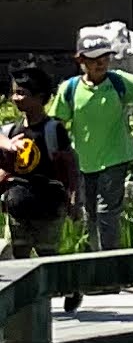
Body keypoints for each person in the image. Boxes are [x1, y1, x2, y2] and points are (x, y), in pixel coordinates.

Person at [50, 33, 133, 264]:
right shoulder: (70, 88)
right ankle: (95, 266)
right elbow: (56, 123)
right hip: (83, 161)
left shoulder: (118, 81)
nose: (101, 63)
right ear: (80, 60)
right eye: (94, 58)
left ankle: (111, 269)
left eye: (105, 57)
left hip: (115, 158)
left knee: (106, 213)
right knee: (88, 213)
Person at [2, 65, 79, 258]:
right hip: (18, 207)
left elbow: (69, 165)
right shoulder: (11, 132)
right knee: (19, 255)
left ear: (39, 97)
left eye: (21, 93)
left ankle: (55, 288)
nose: (15, 98)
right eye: (13, 93)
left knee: (48, 253)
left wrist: (74, 198)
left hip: (48, 206)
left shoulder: (53, 130)